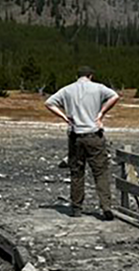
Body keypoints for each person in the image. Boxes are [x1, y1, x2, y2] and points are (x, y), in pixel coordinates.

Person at [45, 65, 120, 220]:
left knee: (77, 172)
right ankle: (106, 206)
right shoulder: (98, 88)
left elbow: (49, 103)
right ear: (91, 76)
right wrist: (101, 113)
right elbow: (115, 96)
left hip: (75, 135)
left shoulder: (67, 90)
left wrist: (64, 117)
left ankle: (76, 208)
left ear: (77, 76)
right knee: (100, 172)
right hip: (94, 134)